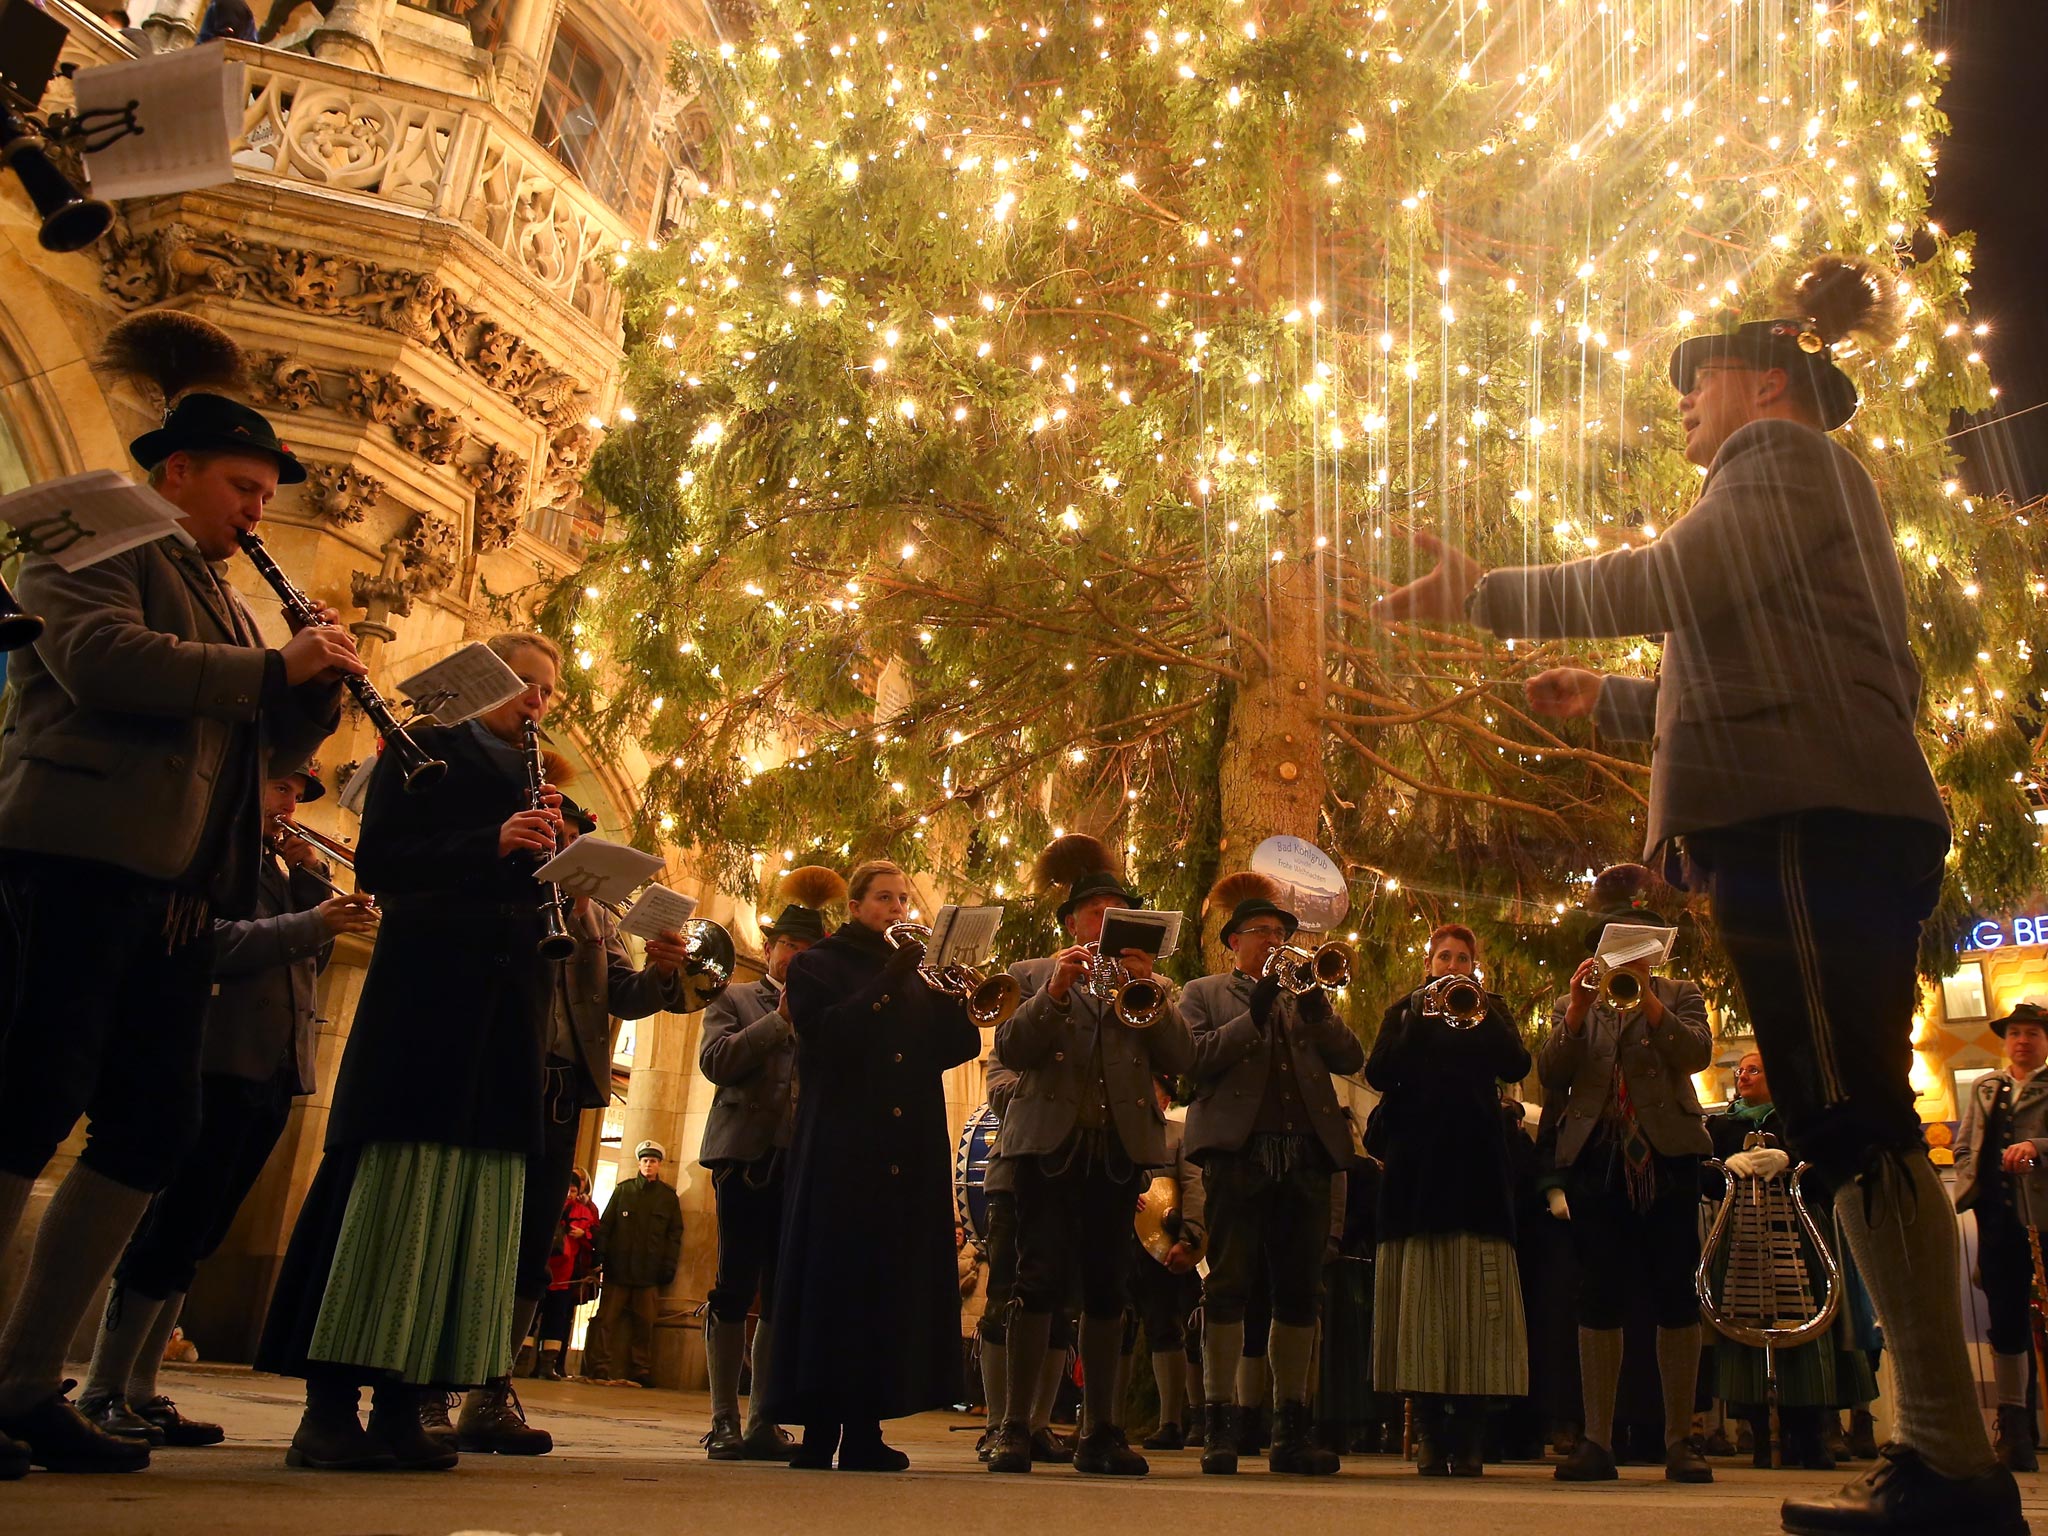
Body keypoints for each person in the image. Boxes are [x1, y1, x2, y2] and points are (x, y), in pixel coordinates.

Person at [1376, 253, 2021, 1536]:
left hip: (1801, 825)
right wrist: (1613, 701)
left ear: (1767, 382)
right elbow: (1765, 664)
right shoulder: (1805, 490)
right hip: (1812, 817)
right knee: (1849, 1115)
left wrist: (1485, 597)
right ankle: (1941, 1457)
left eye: (1696, 376)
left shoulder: (1777, 464)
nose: (1678, 401)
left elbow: (1667, 583)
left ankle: (1949, 1468)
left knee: (1849, 1118)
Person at [0, 385, 351, 1477]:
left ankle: (27, 1378)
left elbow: (249, 739)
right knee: (26, 1102)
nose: (257, 510)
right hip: (76, 858)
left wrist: (313, 691)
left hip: (179, 894)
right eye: (243, 487)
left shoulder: (225, 595)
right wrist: (267, 671)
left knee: (153, 1130)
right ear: (176, 472)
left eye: (264, 494)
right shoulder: (99, 542)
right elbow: (98, 659)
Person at [253, 631, 628, 1471]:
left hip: (510, 1012)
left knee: (470, 1209)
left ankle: (402, 1406)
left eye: (548, 690)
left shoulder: (546, 789)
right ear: (485, 681)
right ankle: (327, 1409)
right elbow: (383, 861)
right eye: (524, 684)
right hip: (428, 1000)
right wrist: (491, 843)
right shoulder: (423, 750)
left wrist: (568, 869)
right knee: (392, 1192)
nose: (538, 701)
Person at [79, 761, 373, 1449]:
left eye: (298, 796)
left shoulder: (281, 868)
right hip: (216, 1059)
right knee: (168, 1228)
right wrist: (311, 918)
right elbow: (207, 946)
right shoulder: (216, 854)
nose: (291, 807)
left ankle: (144, 1388)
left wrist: (312, 894)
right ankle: (103, 1385)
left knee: (199, 1235)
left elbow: (307, 968)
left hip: (270, 1068)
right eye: (281, 789)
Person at [453, 786, 698, 1455]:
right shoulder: (506, 895)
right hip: (498, 1077)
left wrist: (662, 970)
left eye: (572, 838)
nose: (563, 845)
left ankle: (490, 1386)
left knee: (531, 1246)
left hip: (560, 1091)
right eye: (554, 834)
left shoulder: (597, 916)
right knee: (472, 1234)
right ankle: (429, 1387)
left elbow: (624, 992)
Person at [985, 836, 1194, 1478]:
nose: (1106, 920)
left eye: (1118, 911)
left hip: (1117, 1154)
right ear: (1072, 921)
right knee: (1037, 1279)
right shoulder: (1030, 974)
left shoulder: (1154, 986)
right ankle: (1015, 1426)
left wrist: (1143, 987)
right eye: (1096, 910)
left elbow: (1184, 1060)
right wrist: (1054, 992)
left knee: (1109, 1289)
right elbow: (1012, 1052)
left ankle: (1100, 1430)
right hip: (1048, 1149)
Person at [763, 860, 981, 1470]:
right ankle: (817, 1434)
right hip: (841, 1146)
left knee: (886, 1286)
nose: (896, 909)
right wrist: (891, 979)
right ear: (855, 906)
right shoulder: (817, 965)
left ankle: (866, 1430)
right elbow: (827, 1037)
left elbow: (953, 1049)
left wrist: (959, 996)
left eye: (903, 899)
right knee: (835, 1282)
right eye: (884, 898)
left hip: (905, 1146)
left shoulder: (919, 975)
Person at [1533, 870, 1714, 1484]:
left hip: (1668, 1156)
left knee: (1675, 1292)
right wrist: (1579, 1012)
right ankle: (1596, 1441)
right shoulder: (1570, 1003)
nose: (1621, 958)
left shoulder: (1682, 992)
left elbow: (1695, 1055)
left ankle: (1680, 1440)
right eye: (1612, 947)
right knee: (1598, 1295)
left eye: (1635, 948)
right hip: (1598, 1159)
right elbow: (1552, 1074)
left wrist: (1651, 1000)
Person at [1181, 871, 1364, 1477]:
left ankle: (1292, 1427)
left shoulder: (1307, 997)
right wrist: (1256, 1008)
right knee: (1228, 1286)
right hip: (1238, 1156)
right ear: (1234, 941)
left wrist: (1313, 1005)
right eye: (1261, 931)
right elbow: (1195, 1060)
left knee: (1299, 1292)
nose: (1274, 940)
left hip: (1307, 1157)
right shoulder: (1204, 992)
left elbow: (1351, 1058)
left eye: (1282, 932)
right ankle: (1221, 1425)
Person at [1365, 922, 1532, 1477]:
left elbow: (1516, 1065)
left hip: (1479, 1173)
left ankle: (1472, 1433)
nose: (1454, 966)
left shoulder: (1491, 1007)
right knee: (1423, 1306)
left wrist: (1479, 1012)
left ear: (1473, 965)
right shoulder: (1404, 1010)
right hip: (1418, 1175)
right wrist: (1419, 1015)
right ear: (1429, 963)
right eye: (1444, 957)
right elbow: (1381, 1071)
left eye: (1463, 958)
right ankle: (1431, 1430)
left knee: (1479, 1312)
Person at [697, 866, 845, 1461]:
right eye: (789, 946)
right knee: (734, 1286)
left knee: (783, 1294)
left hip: (801, 1165)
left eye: (809, 950)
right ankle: (722, 1418)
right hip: (742, 1156)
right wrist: (778, 1021)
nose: (797, 957)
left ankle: (765, 1416)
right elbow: (717, 1061)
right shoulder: (734, 997)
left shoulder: (828, 1012)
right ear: (769, 947)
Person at [1705, 1051, 1864, 1471]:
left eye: (1755, 1069)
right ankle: (1760, 1431)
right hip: (1742, 1241)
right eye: (1740, 1071)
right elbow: (1702, 1176)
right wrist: (1725, 1167)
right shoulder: (1721, 1126)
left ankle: (1810, 1432)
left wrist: (1792, 1162)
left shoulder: (1800, 1121)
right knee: (1745, 1329)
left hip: (1799, 1238)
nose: (1743, 1076)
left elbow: (1831, 1172)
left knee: (1808, 1326)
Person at [1954, 1001, 2048, 1474]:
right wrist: (1974, 1180)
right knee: (2005, 1321)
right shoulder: (1987, 1087)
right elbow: (1965, 1143)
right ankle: (2015, 1428)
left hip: (2045, 1218)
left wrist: (2039, 1149)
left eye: (2032, 1033)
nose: (2023, 1041)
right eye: (2015, 1033)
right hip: (1999, 1221)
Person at [972, 1062, 1078, 1467]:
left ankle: (1036, 1424)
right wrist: (1055, 1074)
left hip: (1072, 1179)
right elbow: (999, 1095)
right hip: (1013, 1178)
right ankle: (998, 1424)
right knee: (1003, 1302)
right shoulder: (1018, 1031)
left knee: (1061, 1310)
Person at [1128, 1076, 1207, 1452]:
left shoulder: (1179, 1136)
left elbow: (1194, 1186)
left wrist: (1190, 1237)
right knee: (1116, 1327)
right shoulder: (1118, 1133)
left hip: (1161, 1247)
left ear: (1164, 1100)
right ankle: (1103, 1417)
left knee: (1165, 1329)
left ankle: (1171, 1421)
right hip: (1120, 1242)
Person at [590, 1142, 684, 1387]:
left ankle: (641, 1369)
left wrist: (668, 1266)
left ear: (659, 1164)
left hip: (649, 1273)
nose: (648, 1165)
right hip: (618, 1269)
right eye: (645, 1161)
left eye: (653, 1161)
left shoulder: (667, 1197)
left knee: (645, 1324)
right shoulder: (623, 1191)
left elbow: (674, 1235)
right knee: (606, 1321)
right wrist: (599, 1257)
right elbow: (606, 1226)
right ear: (639, 1163)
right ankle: (599, 1366)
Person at [532, 1170, 600, 1379]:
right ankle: (520, 1361)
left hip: (565, 1274)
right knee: (532, 1317)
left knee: (556, 1320)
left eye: (573, 1191)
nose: (569, 1194)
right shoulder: (548, 1207)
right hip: (541, 1270)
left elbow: (594, 1237)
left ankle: (547, 1365)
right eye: (567, 1190)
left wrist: (585, 1234)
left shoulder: (584, 1210)